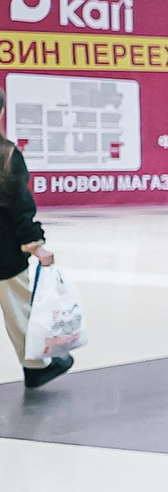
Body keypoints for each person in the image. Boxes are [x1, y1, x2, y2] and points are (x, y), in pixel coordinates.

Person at [2, 134, 71, 390]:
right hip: (4, 253)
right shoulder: (6, 155)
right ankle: (35, 367)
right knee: (18, 312)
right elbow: (19, 204)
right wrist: (34, 244)